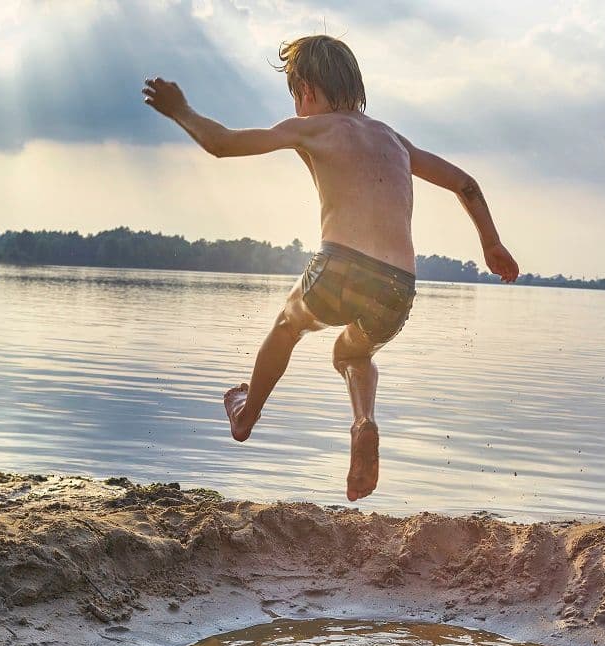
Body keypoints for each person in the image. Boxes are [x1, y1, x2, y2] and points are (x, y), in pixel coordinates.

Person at [143, 35, 520, 502]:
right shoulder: (395, 140)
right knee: (351, 355)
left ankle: (246, 415)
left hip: (340, 267)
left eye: (294, 95)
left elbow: (221, 144)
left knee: (287, 325)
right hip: (398, 287)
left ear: (304, 90)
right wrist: (492, 243)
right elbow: (466, 184)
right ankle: (363, 423)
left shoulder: (313, 128)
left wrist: (180, 109)